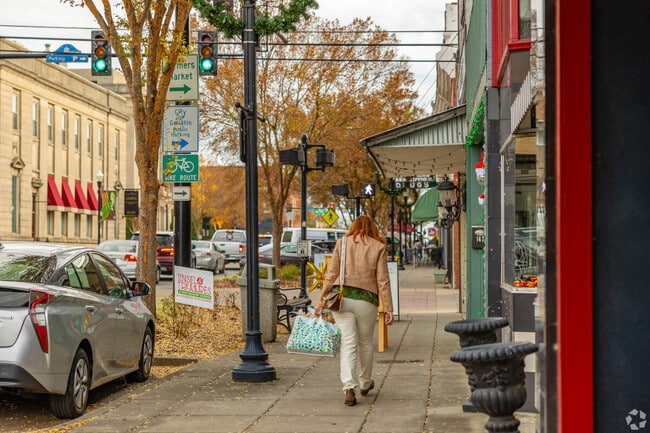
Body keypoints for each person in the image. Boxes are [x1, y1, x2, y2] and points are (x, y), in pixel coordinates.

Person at [315, 215, 394, 407]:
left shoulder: (342, 243)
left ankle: (348, 387)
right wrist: (389, 308)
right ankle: (365, 382)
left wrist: (320, 299)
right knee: (365, 342)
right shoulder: (378, 247)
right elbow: (383, 280)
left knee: (348, 343)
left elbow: (331, 273)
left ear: (353, 227)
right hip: (367, 300)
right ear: (373, 228)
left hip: (342, 299)